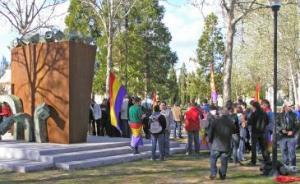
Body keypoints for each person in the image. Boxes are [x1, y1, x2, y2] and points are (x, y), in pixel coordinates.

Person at [208, 107, 235, 180]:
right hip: (226, 144)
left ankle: (213, 173)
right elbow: (234, 131)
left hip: (216, 144)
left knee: (213, 159)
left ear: (221, 113)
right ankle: (222, 174)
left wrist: (210, 140)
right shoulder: (231, 122)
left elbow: (210, 132)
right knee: (224, 160)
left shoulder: (216, 121)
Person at [248, 101, 271, 166]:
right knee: (263, 147)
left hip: (255, 132)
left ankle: (253, 161)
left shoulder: (254, 113)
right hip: (262, 132)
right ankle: (266, 159)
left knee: (254, 147)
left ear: (254, 107)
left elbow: (250, 122)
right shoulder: (264, 113)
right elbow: (267, 122)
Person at [278, 102, 298, 167]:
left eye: (291, 106)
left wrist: (292, 131)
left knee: (291, 151)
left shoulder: (294, 115)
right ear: (285, 107)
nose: (291, 107)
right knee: (283, 150)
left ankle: (293, 165)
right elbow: (276, 124)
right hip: (282, 136)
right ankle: (285, 165)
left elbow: (297, 125)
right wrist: (281, 129)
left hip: (291, 136)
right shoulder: (280, 115)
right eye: (289, 106)